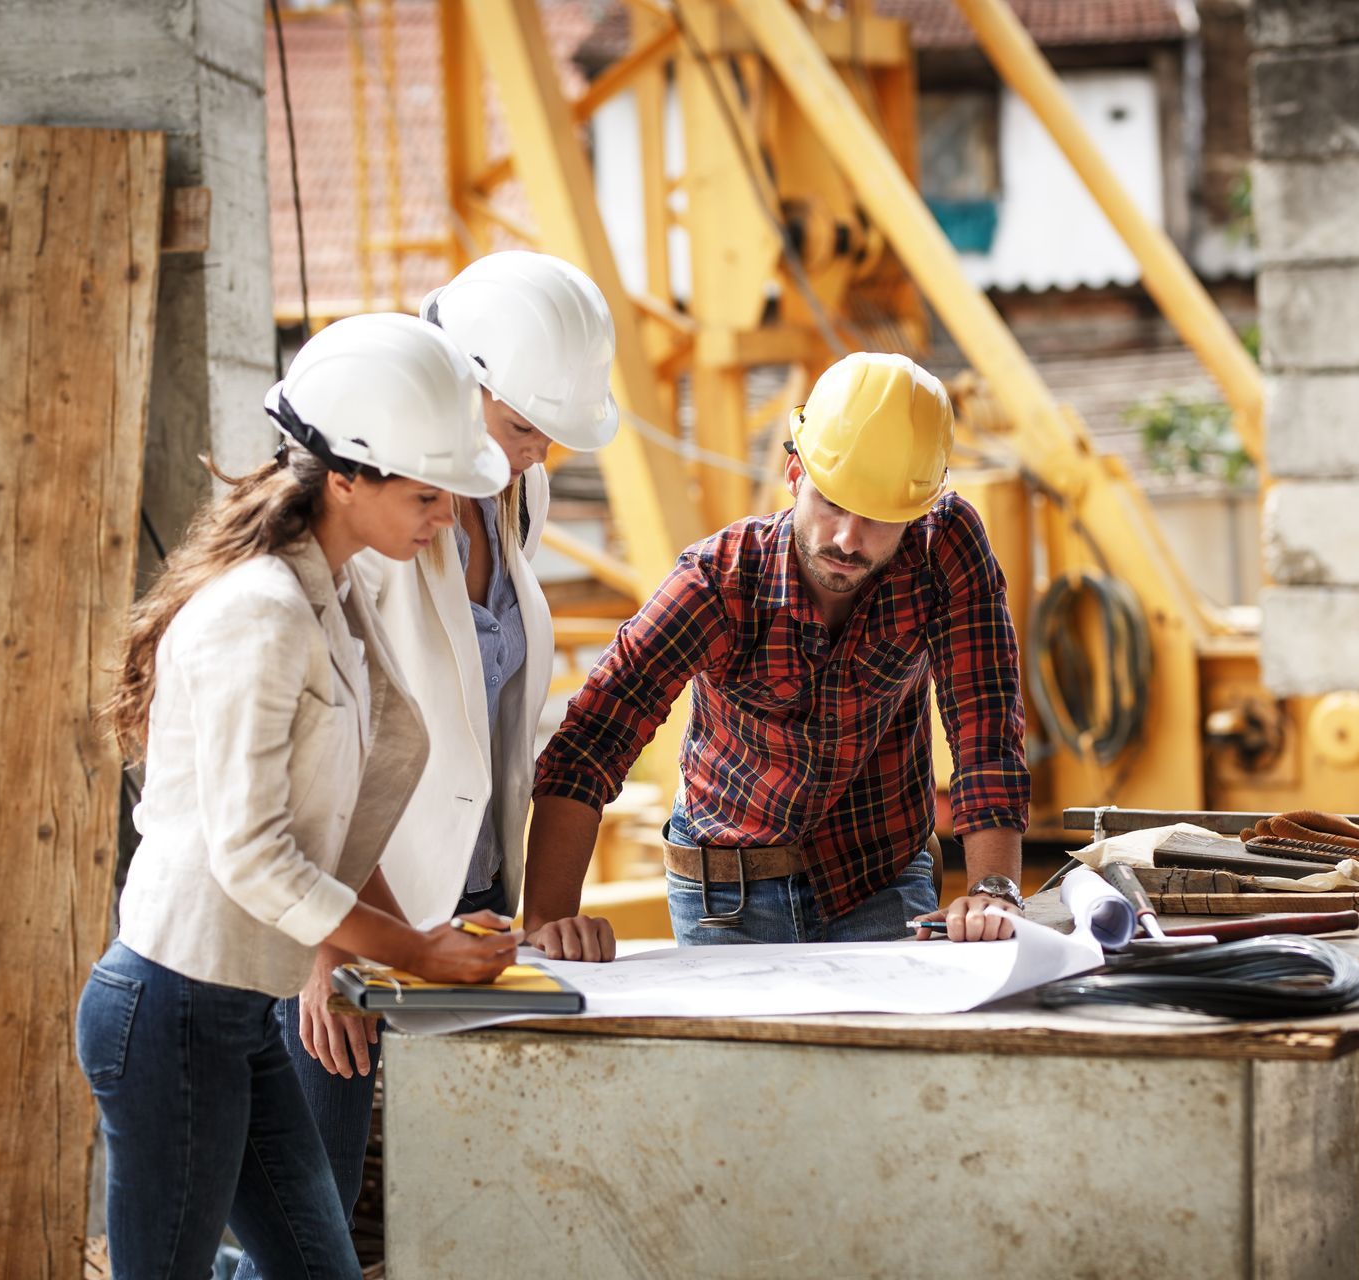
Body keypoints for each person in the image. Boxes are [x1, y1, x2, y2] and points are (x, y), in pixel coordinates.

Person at [76, 313, 522, 1280]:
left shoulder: (329, 588)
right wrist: (414, 955)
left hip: (233, 1011)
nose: (445, 516)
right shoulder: (262, 613)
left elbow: (365, 786)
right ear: (346, 477)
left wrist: (423, 931)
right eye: (426, 493)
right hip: (174, 1012)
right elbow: (252, 854)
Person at [243, 254, 622, 1270]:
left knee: (459, 1204)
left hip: (470, 892)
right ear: (458, 379)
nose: (540, 450)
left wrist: (529, 899)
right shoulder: (372, 514)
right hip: (354, 906)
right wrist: (328, 947)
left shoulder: (512, 499)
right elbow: (315, 757)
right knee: (305, 1218)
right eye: (523, 423)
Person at [523, 351, 1032, 955]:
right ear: (794, 476)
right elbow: (594, 735)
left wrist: (993, 888)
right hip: (727, 896)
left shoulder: (944, 546)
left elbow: (985, 716)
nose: (847, 539)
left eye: (876, 519)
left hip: (880, 880)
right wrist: (548, 921)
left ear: (919, 509)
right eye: (832, 503)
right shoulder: (717, 583)